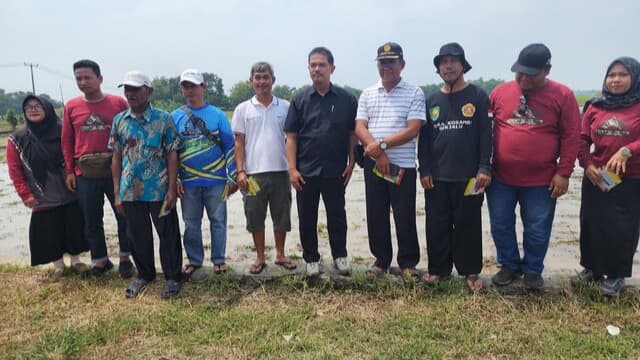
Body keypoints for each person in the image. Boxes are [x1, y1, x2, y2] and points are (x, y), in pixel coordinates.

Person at [488, 43, 580, 291]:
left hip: (542, 180)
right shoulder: (499, 92)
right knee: (500, 224)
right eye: (520, 72)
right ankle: (509, 265)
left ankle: (532, 270)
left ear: (547, 70)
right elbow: (484, 131)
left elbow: (572, 136)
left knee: (537, 227)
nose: (524, 78)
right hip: (500, 178)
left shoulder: (563, 96)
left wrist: (564, 172)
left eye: (531, 73)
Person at [418, 43, 492, 291]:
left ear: (462, 65)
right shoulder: (432, 101)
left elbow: (486, 135)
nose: (448, 66)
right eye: (443, 62)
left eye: (453, 60)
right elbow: (425, 139)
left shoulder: (478, 96)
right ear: (438, 69)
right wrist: (424, 169)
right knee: (436, 222)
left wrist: (484, 167)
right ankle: (438, 269)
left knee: (468, 223)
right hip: (437, 176)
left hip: (470, 176)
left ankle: (470, 271)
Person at [355, 42, 426, 279]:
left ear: (402, 64)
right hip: (375, 166)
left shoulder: (414, 92)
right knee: (376, 213)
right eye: (382, 62)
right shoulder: (367, 93)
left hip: (402, 166)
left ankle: (407, 262)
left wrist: (382, 145)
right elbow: (360, 127)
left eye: (391, 62)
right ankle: (381, 261)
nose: (386, 67)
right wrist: (379, 154)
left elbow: (413, 129)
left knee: (404, 214)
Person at [109, 71, 183, 299]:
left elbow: (172, 154)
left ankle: (172, 277)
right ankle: (144, 274)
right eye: (126, 89)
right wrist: (117, 193)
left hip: (159, 189)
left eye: (135, 89)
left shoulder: (163, 119)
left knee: (168, 233)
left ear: (148, 91)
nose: (130, 93)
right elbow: (116, 157)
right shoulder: (120, 120)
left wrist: (172, 188)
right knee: (137, 234)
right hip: (130, 189)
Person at [285, 47, 357, 276]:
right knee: (307, 216)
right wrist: (292, 169)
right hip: (306, 170)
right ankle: (311, 258)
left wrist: (352, 161)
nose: (317, 69)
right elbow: (292, 136)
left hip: (335, 169)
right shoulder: (299, 99)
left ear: (332, 68)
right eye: (313, 65)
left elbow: (352, 134)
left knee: (337, 214)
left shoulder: (346, 99)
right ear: (308, 69)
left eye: (322, 65)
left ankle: (340, 255)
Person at [574, 57, 640, 296]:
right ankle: (591, 268)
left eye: (622, 74)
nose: (616, 80)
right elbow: (581, 139)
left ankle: (616, 275)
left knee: (622, 228)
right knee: (591, 223)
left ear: (634, 78)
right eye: (611, 75)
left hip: (629, 178)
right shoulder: (595, 106)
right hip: (597, 176)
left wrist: (628, 150)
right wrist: (587, 164)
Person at [62, 59, 134, 278]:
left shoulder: (118, 103)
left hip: (116, 170)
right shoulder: (71, 106)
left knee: (124, 215)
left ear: (100, 78)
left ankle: (125, 257)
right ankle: (101, 261)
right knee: (92, 219)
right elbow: (67, 141)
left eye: (87, 77)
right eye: (78, 78)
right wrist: (70, 171)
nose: (83, 82)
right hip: (85, 173)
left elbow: (129, 134)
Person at [7, 95, 88, 281]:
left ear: (47, 108)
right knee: (49, 230)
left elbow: (76, 153)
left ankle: (76, 261)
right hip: (41, 193)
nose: (33, 110)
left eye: (37, 106)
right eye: (29, 107)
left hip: (69, 189)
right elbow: (14, 170)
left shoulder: (63, 130)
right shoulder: (17, 139)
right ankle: (58, 266)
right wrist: (25, 194)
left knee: (73, 226)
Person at [171, 69, 237, 278]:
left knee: (218, 221)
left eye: (194, 86)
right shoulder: (175, 117)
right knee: (191, 223)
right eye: (185, 86)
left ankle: (219, 259)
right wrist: (176, 179)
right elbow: (171, 152)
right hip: (188, 183)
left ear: (204, 87)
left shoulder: (217, 115)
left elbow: (229, 146)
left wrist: (233, 175)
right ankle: (194, 260)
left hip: (216, 181)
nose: (190, 90)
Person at [232, 62, 296, 274]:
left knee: (282, 214)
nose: (261, 81)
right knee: (254, 215)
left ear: (273, 80)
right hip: (252, 174)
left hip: (280, 171)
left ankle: (280, 254)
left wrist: (292, 168)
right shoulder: (243, 109)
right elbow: (239, 143)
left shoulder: (286, 107)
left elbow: (292, 139)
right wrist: (240, 171)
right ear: (251, 81)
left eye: (265, 77)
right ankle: (260, 257)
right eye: (257, 77)